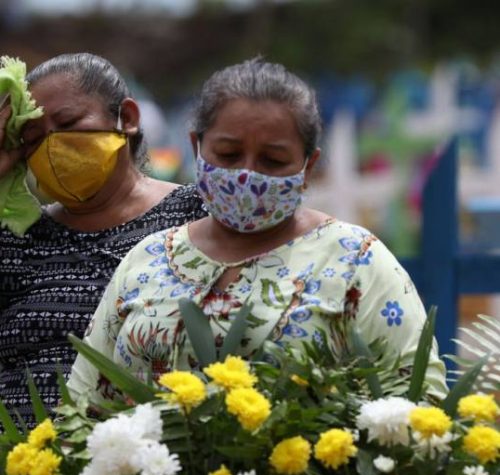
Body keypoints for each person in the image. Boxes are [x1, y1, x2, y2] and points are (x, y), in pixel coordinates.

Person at [68, 58, 447, 403]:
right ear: (196, 147)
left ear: (308, 165)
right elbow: (85, 405)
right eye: (229, 155)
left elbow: (417, 402)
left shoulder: (354, 259)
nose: (247, 174)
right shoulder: (147, 260)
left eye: (273, 159)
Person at [0, 53, 206, 427]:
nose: (52, 144)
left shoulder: (195, 218)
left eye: (68, 123)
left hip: (143, 464)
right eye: (32, 139)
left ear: (126, 118)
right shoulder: (18, 240)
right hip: (17, 470)